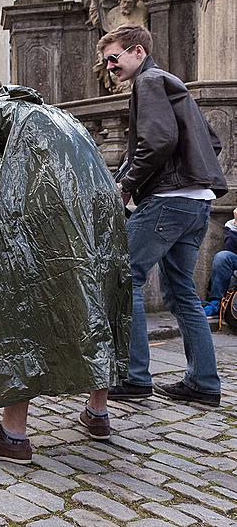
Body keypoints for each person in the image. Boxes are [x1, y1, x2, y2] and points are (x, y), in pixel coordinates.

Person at [0, 73, 131, 464]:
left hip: (44, 209)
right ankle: (98, 414)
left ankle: (12, 435)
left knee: (17, 308)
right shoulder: (59, 116)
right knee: (100, 298)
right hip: (102, 208)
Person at [99, 25, 227, 407]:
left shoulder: (150, 81)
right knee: (182, 291)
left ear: (137, 51)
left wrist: (126, 185)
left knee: (127, 277)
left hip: (170, 201)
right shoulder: (169, 84)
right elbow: (212, 142)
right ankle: (204, 383)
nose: (108, 67)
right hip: (197, 202)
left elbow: (157, 141)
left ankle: (135, 377)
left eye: (113, 57)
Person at [201, 207, 237, 318]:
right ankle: (216, 303)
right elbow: (231, 250)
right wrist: (236, 224)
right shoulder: (231, 225)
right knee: (223, 257)